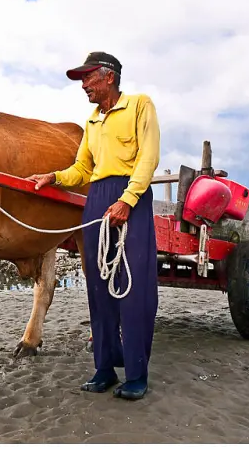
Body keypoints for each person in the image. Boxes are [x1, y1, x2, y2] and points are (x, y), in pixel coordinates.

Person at [26, 51, 161, 400]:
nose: (84, 85)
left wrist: (128, 200)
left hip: (130, 196)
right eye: (82, 79)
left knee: (133, 290)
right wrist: (53, 177)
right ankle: (104, 369)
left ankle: (136, 375)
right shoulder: (92, 121)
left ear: (109, 77)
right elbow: (82, 170)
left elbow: (148, 157)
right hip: (97, 200)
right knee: (99, 288)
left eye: (88, 78)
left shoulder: (139, 105)